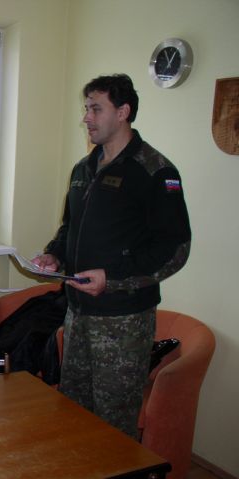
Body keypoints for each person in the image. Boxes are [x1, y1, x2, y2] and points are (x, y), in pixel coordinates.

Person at [32, 74, 191, 438]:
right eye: (86, 108)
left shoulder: (155, 171)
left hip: (123, 321)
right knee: (73, 412)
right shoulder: (83, 169)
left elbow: (174, 248)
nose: (86, 118)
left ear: (123, 112)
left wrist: (113, 278)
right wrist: (55, 256)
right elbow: (69, 227)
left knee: (113, 425)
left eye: (95, 109)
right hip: (78, 314)